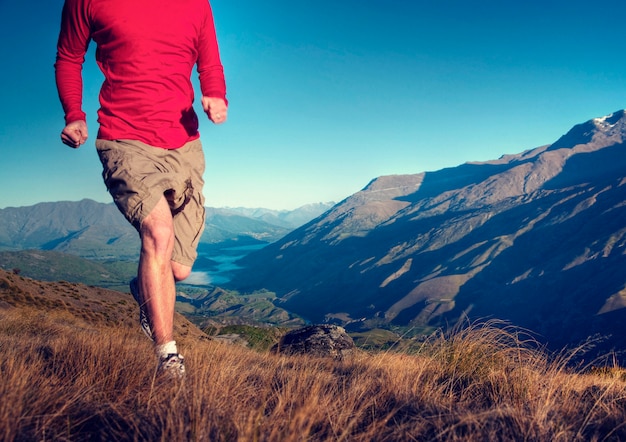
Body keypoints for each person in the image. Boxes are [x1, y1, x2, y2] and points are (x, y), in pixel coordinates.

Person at [55, 0, 228, 378]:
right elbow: (69, 58)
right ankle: (168, 358)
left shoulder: (197, 4)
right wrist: (74, 115)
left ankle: (145, 290)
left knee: (178, 269)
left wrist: (215, 93)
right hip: (124, 140)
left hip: (184, 143)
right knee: (158, 233)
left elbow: (209, 60)